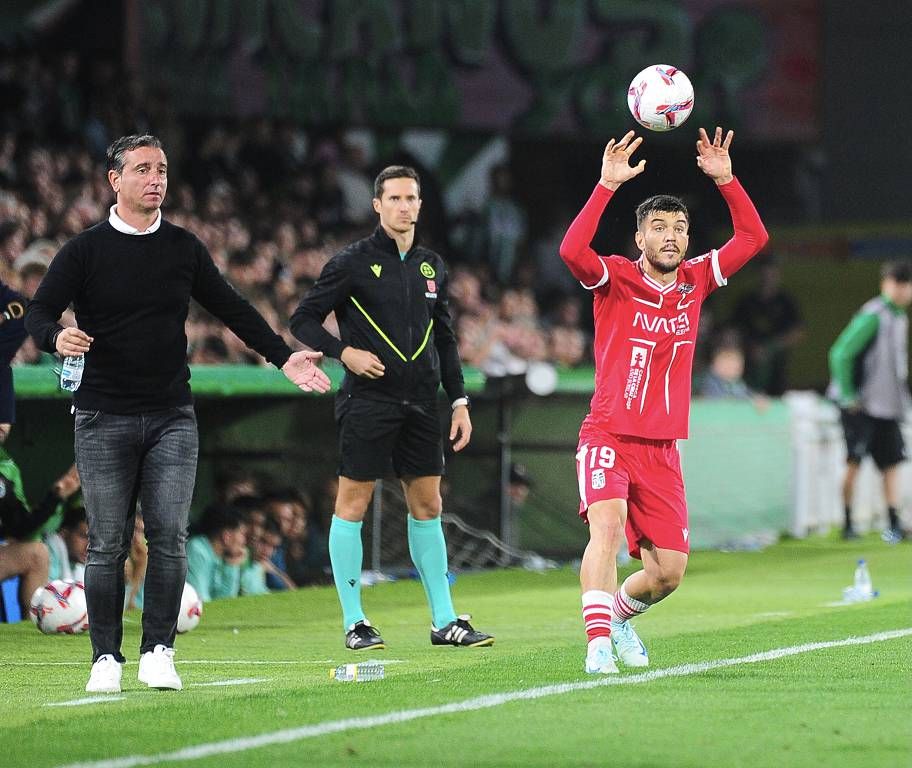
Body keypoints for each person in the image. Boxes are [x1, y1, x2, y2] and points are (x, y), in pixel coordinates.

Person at [24, 134, 331, 694]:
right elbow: (40, 311)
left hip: (171, 415)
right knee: (108, 542)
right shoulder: (84, 250)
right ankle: (105, 660)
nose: (156, 178)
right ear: (114, 180)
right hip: (102, 415)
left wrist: (284, 357)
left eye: (162, 168)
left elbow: (233, 307)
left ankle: (158, 651)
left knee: (167, 535)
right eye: (143, 169)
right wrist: (54, 334)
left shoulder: (184, 247)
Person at [559, 128, 768, 674]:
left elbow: (752, 238)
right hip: (607, 434)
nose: (671, 236)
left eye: (679, 228)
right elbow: (571, 251)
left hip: (662, 450)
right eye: (659, 227)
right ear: (640, 239)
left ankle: (621, 617)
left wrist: (726, 179)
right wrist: (605, 187)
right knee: (604, 530)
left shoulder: (695, 281)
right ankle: (598, 645)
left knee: (668, 574)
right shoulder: (616, 278)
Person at [290, 165, 494, 651]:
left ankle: (445, 621)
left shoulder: (432, 266)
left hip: (423, 405)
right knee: (354, 504)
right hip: (369, 402)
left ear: (421, 205)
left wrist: (459, 400)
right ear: (377, 205)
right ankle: (355, 621)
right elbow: (303, 320)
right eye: (395, 199)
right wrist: (346, 353)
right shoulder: (352, 262)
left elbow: (444, 338)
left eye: (412, 198)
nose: (404, 206)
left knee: (428, 505)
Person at [827, 260, 912, 543]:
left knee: (891, 464)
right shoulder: (873, 315)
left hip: (887, 406)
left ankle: (893, 524)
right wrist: (849, 395)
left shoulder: (899, 318)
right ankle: (848, 522)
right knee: (854, 461)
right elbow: (840, 354)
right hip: (861, 405)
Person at [730, 255, 804, 395]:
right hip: (748, 366)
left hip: (777, 367)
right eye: (765, 273)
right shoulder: (746, 301)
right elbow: (733, 331)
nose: (768, 277)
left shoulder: (786, 301)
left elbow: (798, 332)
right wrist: (751, 348)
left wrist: (770, 348)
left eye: (772, 273)